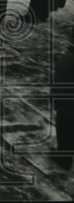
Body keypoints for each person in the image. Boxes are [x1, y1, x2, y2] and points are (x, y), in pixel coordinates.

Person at [51, 26, 74, 170]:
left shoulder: (67, 59)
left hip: (67, 106)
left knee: (65, 129)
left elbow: (60, 82)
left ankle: (64, 157)